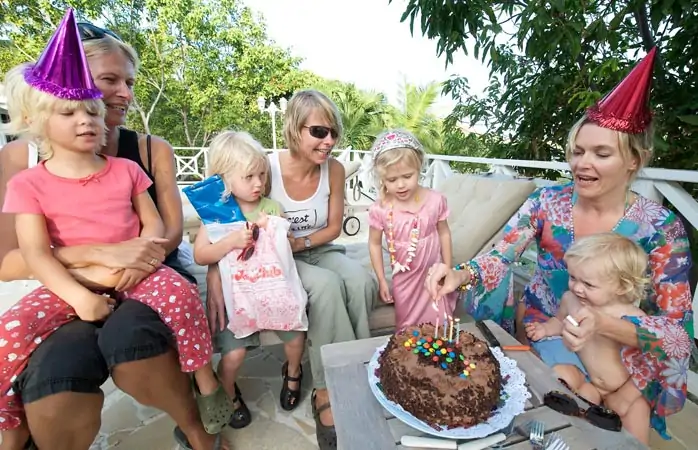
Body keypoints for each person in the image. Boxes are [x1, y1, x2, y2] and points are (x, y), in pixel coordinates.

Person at [425, 47, 693, 444]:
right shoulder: (547, 201)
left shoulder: (661, 228)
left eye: (602, 153)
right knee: (559, 424)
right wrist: (461, 274)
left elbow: (674, 332)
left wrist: (610, 341)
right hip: (548, 330)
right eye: (578, 151)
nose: (582, 163)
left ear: (635, 161)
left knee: (624, 430)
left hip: (623, 351)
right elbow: (504, 253)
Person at [0, 11, 227, 450]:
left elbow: (165, 235)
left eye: (128, 83)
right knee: (51, 372)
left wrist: (129, 260)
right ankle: (16, 429)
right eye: (110, 80)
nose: (124, 93)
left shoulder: (139, 156)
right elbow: (11, 262)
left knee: (134, 341)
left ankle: (198, 418)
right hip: (73, 283)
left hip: (146, 270)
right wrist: (101, 257)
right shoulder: (23, 169)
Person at [206, 89, 377, 450]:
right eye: (318, 131)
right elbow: (228, 218)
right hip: (276, 260)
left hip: (316, 247)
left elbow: (333, 227)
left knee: (361, 281)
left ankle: (357, 368)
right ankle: (327, 388)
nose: (328, 141)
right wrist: (214, 275)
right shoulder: (264, 167)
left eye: (333, 132)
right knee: (328, 288)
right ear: (294, 129)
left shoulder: (333, 169)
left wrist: (302, 243)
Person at [192, 131, 306, 432]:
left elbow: (285, 249)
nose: (258, 184)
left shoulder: (271, 208)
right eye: (249, 177)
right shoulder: (218, 217)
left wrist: (282, 235)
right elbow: (201, 254)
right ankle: (228, 390)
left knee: (295, 336)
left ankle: (293, 371)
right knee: (234, 353)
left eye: (261, 175)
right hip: (237, 300)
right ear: (225, 180)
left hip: (272, 291)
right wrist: (230, 241)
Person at [526, 233, 649, 441]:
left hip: (624, 387)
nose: (577, 287)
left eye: (589, 284)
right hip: (588, 379)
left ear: (621, 286)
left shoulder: (631, 318)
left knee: (638, 416)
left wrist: (625, 396)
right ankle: (558, 436)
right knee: (560, 380)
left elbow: (650, 366)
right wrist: (546, 330)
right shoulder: (571, 300)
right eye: (573, 278)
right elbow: (559, 320)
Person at [367, 129, 455, 329]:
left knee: (439, 321)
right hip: (404, 278)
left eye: (408, 176)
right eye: (391, 180)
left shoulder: (435, 200)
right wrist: (381, 279)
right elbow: (373, 243)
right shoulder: (380, 208)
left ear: (419, 168)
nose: (400, 185)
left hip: (433, 271)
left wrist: (447, 268)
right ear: (382, 179)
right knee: (407, 325)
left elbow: (444, 232)